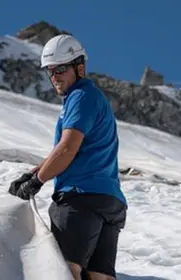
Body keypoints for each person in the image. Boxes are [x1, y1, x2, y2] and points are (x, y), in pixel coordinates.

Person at [8, 34, 127, 280]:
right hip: (109, 202)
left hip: (80, 200)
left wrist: (38, 181)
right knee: (99, 276)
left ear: (79, 67)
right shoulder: (94, 98)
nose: (55, 77)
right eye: (50, 71)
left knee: (64, 272)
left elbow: (66, 149)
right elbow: (65, 150)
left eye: (60, 69)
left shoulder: (80, 97)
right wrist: (33, 172)